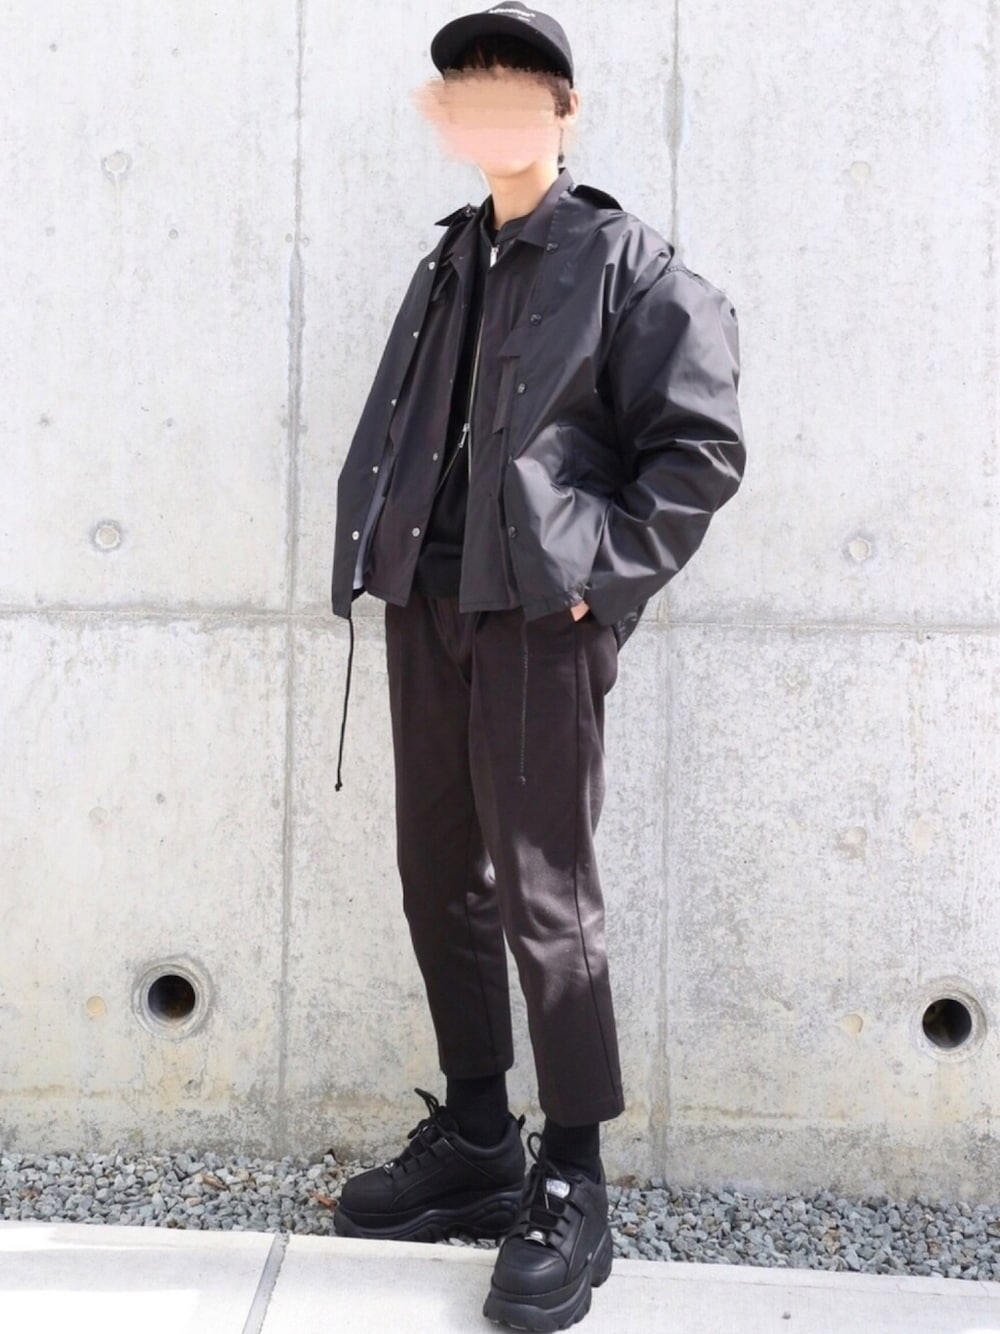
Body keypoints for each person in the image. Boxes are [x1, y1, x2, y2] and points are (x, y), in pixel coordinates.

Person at [329, 4, 745, 1329]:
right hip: (429, 602)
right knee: (436, 875)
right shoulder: (452, 257)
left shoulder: (627, 262)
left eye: (519, 88)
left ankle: (574, 1176)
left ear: (566, 113)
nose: (492, 110)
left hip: (533, 623)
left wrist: (593, 584)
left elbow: (699, 448)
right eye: (471, 89)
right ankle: (475, 1137)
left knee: (544, 898)